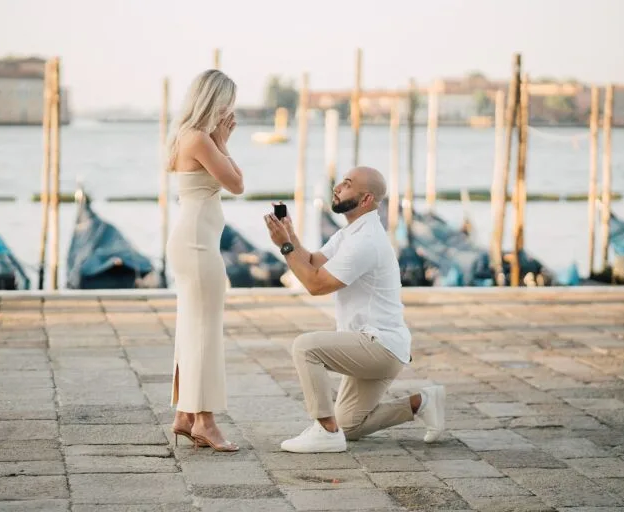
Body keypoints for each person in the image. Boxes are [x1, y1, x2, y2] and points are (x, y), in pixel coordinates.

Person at [263, 166, 445, 453]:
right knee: (350, 425)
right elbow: (312, 261)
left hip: (379, 345)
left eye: (347, 185)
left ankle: (324, 431)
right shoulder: (351, 233)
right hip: (378, 344)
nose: (337, 187)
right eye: (340, 182)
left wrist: (285, 247)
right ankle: (422, 402)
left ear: (365, 199)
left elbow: (315, 284)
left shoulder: (365, 241)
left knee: (305, 347)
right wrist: (291, 237)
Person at [165, 69, 244, 452]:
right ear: (214, 101)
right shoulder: (200, 138)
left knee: (191, 329)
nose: (231, 111)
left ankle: (184, 415)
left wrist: (220, 141)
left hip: (193, 239)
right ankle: (206, 422)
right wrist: (224, 142)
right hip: (197, 244)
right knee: (204, 332)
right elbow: (237, 184)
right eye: (228, 102)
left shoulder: (188, 136)